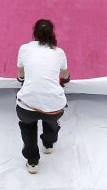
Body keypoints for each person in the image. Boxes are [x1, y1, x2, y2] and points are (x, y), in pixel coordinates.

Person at [16, 19, 69, 174]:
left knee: (28, 128)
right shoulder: (59, 52)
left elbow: (21, 74)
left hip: (27, 106)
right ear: (52, 33)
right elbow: (65, 76)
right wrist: (64, 81)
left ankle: (32, 162)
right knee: (51, 121)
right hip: (54, 107)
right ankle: (48, 144)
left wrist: (23, 80)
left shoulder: (24, 48)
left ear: (35, 33)